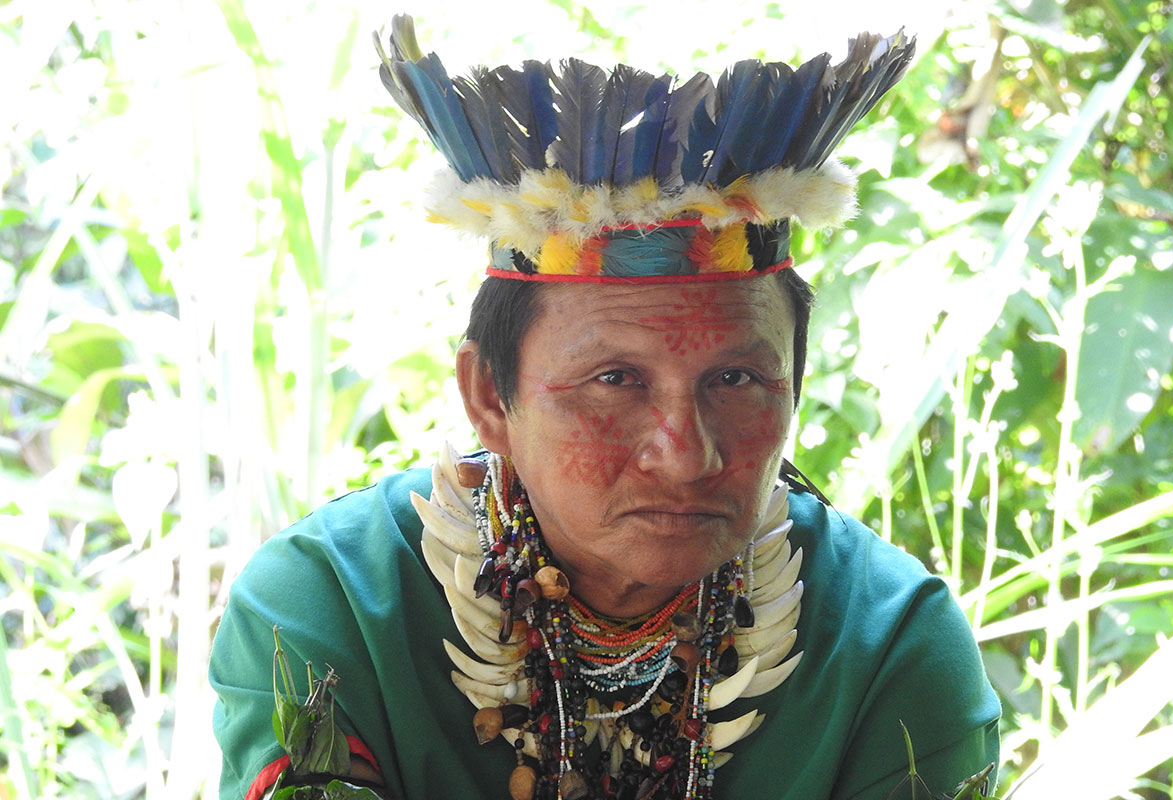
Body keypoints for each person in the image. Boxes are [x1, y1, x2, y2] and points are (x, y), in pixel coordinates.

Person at [209, 15, 1001, 800]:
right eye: (615, 381)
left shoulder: (890, 645)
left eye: (735, 382)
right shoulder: (328, 613)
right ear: (490, 395)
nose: (687, 455)